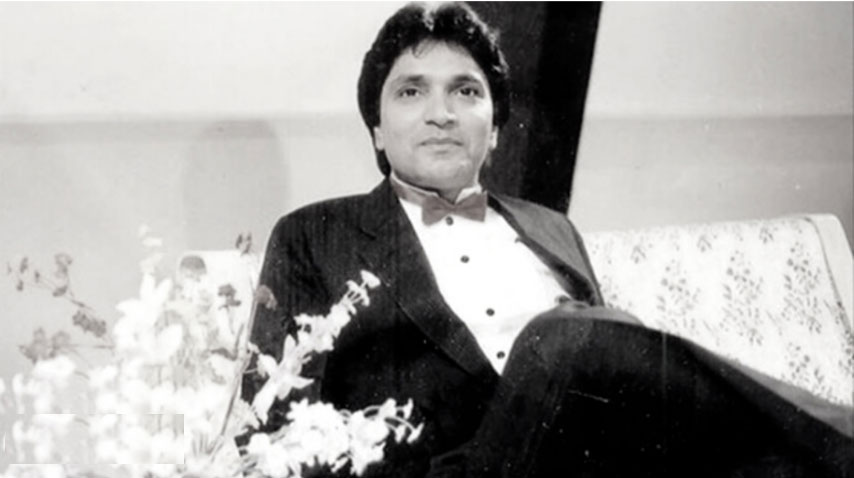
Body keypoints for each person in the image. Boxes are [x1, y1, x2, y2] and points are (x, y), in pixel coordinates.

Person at [243, 3, 853, 477]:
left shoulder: (551, 228)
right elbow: (270, 429)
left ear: (495, 129)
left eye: (466, 91)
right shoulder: (313, 233)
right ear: (377, 129)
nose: (441, 113)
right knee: (566, 334)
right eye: (411, 91)